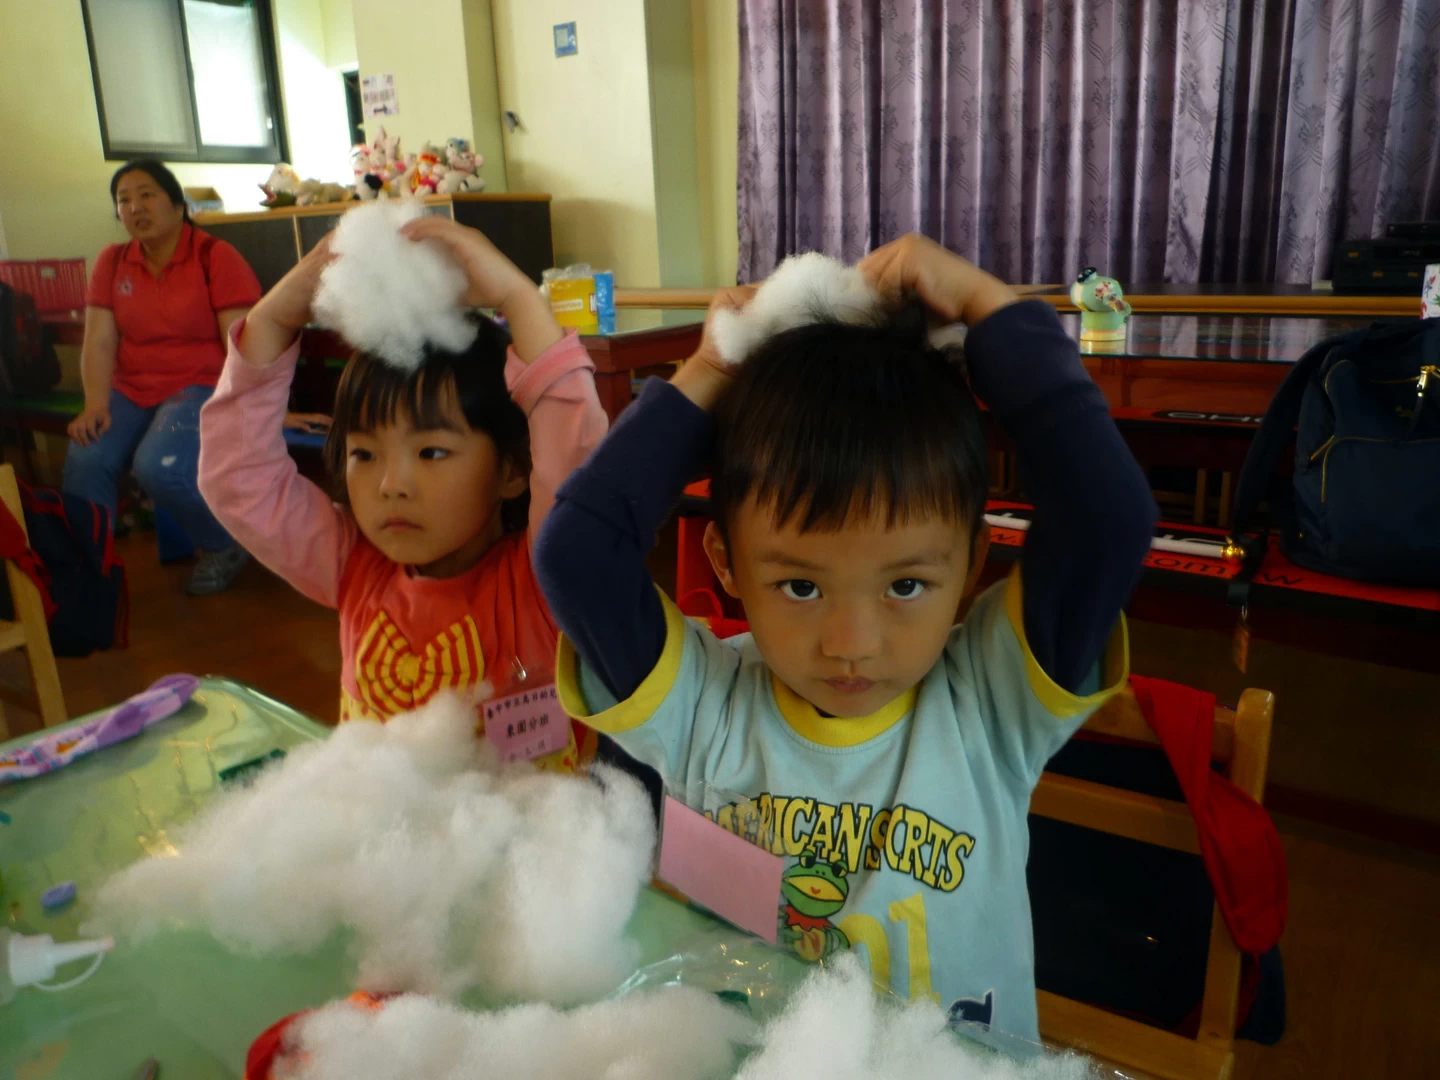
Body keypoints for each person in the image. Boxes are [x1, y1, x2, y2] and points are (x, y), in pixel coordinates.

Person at [535, 235, 1157, 1039]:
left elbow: (1108, 515)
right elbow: (577, 554)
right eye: (800, 586)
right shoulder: (704, 712)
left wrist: (989, 310)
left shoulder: (991, 705)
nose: (851, 644)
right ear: (726, 563)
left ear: (972, 564)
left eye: (905, 586)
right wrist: (715, 369)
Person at [198, 219, 607, 770]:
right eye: (364, 454)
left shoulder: (544, 579)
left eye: (431, 452)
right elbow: (238, 478)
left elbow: (576, 468)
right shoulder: (352, 564)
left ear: (512, 469)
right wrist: (276, 315)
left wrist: (518, 298)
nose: (391, 485)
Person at [65, 159, 261, 595]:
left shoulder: (215, 256)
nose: (135, 207)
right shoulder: (112, 261)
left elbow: (243, 344)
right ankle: (90, 574)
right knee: (85, 457)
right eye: (124, 200)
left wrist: (256, 404)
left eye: (147, 195)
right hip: (132, 389)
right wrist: (94, 405)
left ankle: (224, 544)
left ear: (177, 204)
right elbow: (98, 341)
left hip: (200, 386)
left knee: (158, 466)